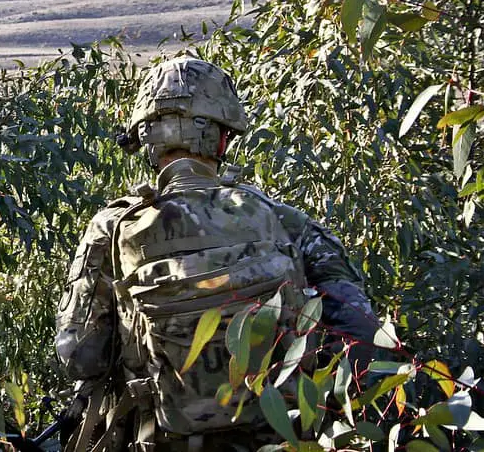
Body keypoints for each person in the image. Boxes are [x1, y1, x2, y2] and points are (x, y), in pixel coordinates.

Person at [55, 57, 379, 451]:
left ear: (146, 140)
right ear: (222, 137)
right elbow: (361, 333)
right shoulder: (281, 220)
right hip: (281, 439)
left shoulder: (112, 229)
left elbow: (78, 355)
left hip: (162, 439)